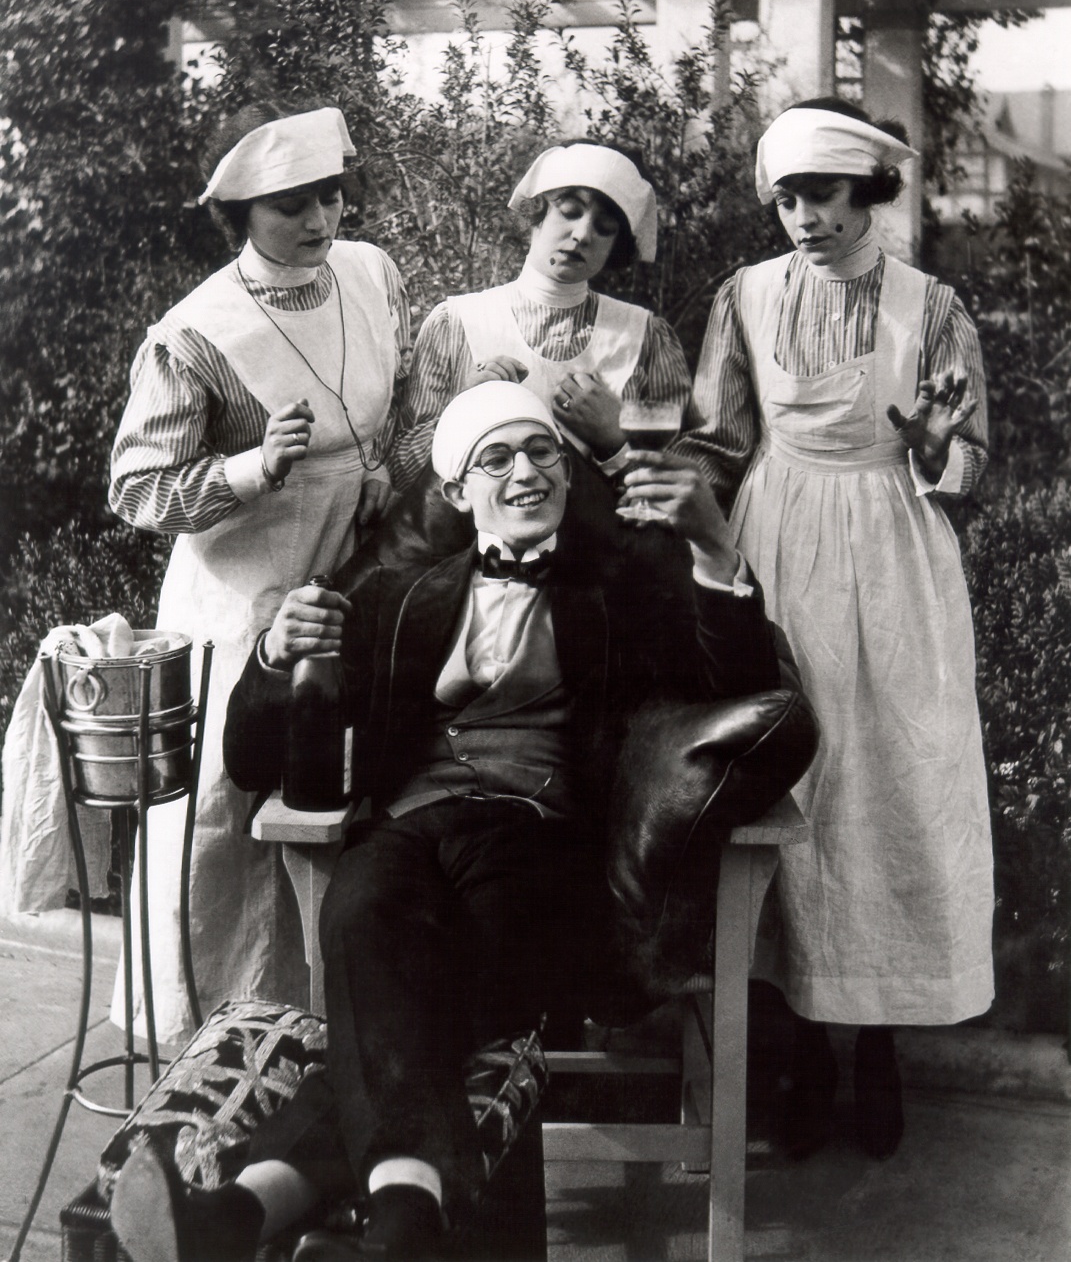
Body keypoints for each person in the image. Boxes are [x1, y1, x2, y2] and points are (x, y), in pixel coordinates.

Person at [110, 380, 786, 1262]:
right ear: (458, 493)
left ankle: (242, 1214)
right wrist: (274, 658)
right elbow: (248, 760)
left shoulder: (620, 588)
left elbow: (737, 683)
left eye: (542, 452)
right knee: (360, 913)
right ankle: (401, 1228)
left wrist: (712, 544)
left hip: (536, 841)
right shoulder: (398, 597)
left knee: (401, 994)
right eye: (495, 459)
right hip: (407, 830)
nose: (526, 473)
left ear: (567, 474)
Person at [676, 98, 994, 1160]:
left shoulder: (930, 307)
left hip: (895, 559)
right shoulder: (746, 297)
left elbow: (972, 467)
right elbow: (719, 441)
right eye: (787, 200)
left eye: (823, 197)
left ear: (869, 194)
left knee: (891, 787)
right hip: (779, 545)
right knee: (793, 782)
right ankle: (805, 1049)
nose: (804, 219)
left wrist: (936, 448)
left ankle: (880, 1047)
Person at [108, 103, 410, 1040]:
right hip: (240, 597)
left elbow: (390, 405)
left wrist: (381, 471)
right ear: (237, 212)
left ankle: (328, 1039)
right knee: (223, 810)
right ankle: (208, 1039)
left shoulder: (370, 273)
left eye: (331, 196)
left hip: (352, 575)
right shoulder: (198, 331)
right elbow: (138, 492)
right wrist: (252, 468)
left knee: (339, 790)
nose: (320, 221)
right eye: (290, 207)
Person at [388, 139, 695, 491]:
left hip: (604, 527)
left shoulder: (644, 337)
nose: (582, 234)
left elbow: (680, 488)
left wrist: (614, 440)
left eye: (605, 227)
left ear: (617, 245)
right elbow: (401, 474)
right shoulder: (456, 323)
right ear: (536, 211)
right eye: (570, 211)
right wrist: (461, 409)